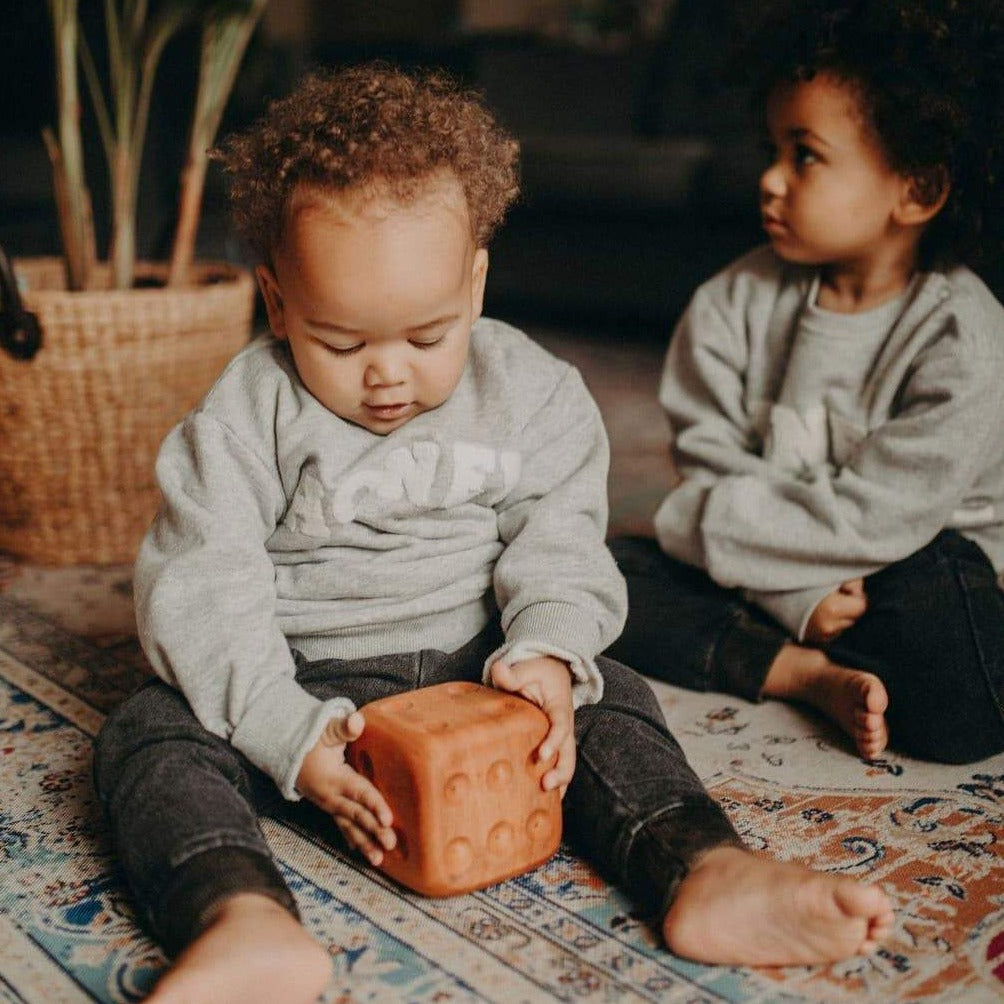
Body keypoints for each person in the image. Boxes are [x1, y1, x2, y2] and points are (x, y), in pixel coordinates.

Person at [93, 63, 893, 1004]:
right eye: (341, 345)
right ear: (276, 303)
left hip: (482, 661)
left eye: (426, 337)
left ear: (475, 283)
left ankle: (703, 867)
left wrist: (546, 651)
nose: (386, 376)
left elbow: (561, 536)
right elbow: (203, 581)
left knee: (614, 699)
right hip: (304, 673)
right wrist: (284, 728)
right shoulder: (243, 415)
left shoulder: (533, 389)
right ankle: (241, 918)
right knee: (148, 736)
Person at [608, 0, 1004, 767]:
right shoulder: (729, 305)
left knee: (962, 693)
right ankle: (799, 671)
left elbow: (877, 522)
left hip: (916, 562)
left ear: (916, 191)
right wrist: (795, 597)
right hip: (780, 569)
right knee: (596, 577)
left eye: (805, 155)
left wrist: (736, 547)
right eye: (771, 149)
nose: (770, 179)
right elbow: (708, 476)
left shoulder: (964, 332)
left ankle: (770, 646)